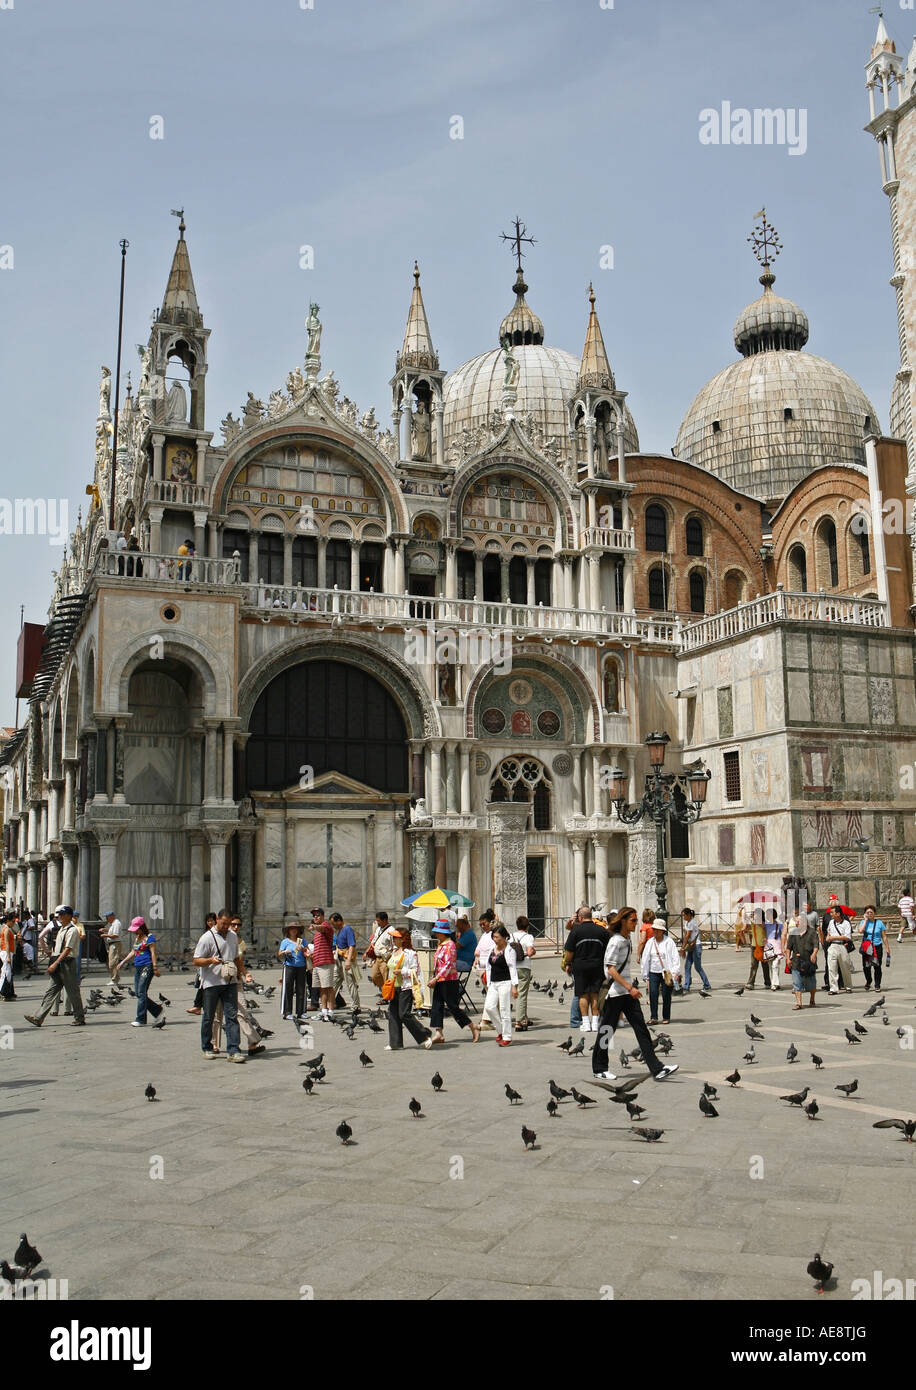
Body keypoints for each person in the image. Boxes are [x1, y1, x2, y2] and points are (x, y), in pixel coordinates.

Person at [591, 906, 678, 1083]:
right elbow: (610, 969)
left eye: (636, 920)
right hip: (615, 993)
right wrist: (629, 987)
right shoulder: (616, 941)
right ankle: (599, 1068)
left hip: (627, 994)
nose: (636, 923)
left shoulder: (626, 938)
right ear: (623, 921)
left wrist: (629, 989)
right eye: (632, 920)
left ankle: (657, 1068)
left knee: (642, 1030)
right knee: (607, 1031)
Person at [192, 908, 245, 1061]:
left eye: (228, 924)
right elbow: (196, 960)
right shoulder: (206, 938)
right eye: (223, 923)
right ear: (216, 920)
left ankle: (233, 1050)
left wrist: (243, 972)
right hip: (211, 983)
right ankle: (207, 1047)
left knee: (232, 1016)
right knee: (209, 1016)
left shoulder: (233, 936)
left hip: (230, 981)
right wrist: (210, 960)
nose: (225, 927)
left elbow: (236, 958)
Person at [24, 906, 86, 1027]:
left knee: (73, 992)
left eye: (62, 915)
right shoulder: (62, 929)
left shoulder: (72, 930)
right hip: (58, 962)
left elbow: (68, 949)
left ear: (69, 916)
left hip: (67, 963)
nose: (60, 917)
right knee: (50, 991)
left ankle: (79, 1017)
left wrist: (56, 963)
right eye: (59, 915)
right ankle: (38, 1017)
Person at [427, 921, 479, 1044]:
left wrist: (436, 978)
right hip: (440, 979)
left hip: (449, 980)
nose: (435, 933)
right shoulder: (441, 944)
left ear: (442, 933)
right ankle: (439, 1033)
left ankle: (473, 1027)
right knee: (437, 1005)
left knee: (453, 1007)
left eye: (437, 932)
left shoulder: (450, 945)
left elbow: (449, 964)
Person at [383, 927, 432, 1050]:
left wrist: (402, 971)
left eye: (396, 938)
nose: (393, 940)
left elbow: (415, 970)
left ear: (403, 939)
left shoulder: (410, 953)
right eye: (393, 937)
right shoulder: (393, 951)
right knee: (393, 1014)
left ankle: (424, 1035)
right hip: (394, 986)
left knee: (404, 1014)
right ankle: (395, 1042)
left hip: (406, 987)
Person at [562, 907, 609, 1032]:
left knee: (582, 994)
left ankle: (585, 1023)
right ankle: (595, 1022)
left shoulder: (576, 931)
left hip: (580, 966)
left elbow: (569, 952)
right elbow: (607, 950)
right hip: (597, 965)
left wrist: (567, 963)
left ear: (581, 917)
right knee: (595, 994)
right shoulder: (601, 930)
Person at [114, 917, 164, 1027]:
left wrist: (155, 967)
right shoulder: (137, 937)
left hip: (147, 966)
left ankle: (141, 1018)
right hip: (138, 966)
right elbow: (133, 951)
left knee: (141, 992)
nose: (134, 931)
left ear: (142, 927)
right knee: (138, 993)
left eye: (136, 929)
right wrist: (123, 962)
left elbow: (153, 953)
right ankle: (157, 1010)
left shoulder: (150, 938)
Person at [640, 919, 682, 1025]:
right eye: (654, 929)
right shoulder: (650, 942)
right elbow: (645, 958)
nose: (655, 932)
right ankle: (654, 1016)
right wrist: (644, 973)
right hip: (653, 972)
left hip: (666, 972)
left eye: (658, 930)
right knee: (653, 993)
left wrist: (675, 972)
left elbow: (675, 957)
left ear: (662, 931)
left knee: (666, 994)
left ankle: (666, 1016)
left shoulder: (669, 942)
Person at [483, 924, 518, 1046]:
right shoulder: (492, 949)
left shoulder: (509, 951)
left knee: (504, 1010)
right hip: (493, 982)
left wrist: (514, 986)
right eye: (494, 937)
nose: (495, 939)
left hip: (505, 982)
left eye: (497, 937)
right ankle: (500, 1030)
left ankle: (507, 1036)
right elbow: (488, 965)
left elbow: (513, 968)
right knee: (489, 1007)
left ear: (504, 938)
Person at [787, 909, 819, 1010]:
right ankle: (799, 1003)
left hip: (809, 962)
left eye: (798, 921)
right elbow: (788, 948)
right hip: (796, 962)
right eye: (796, 921)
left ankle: (812, 999)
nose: (796, 923)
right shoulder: (793, 933)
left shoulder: (812, 932)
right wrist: (787, 958)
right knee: (797, 983)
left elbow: (816, 945)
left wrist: (814, 954)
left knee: (811, 984)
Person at [187, 912, 217, 1015]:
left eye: (212, 920)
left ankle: (198, 1006)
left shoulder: (219, 933)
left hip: (214, 964)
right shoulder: (206, 934)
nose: (210, 922)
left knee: (204, 985)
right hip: (206, 963)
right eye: (208, 921)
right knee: (203, 985)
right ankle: (198, 1006)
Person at [278, 920, 308, 1021]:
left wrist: (303, 949)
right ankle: (287, 1012)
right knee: (288, 988)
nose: (294, 931)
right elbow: (279, 954)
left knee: (301, 989)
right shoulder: (285, 941)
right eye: (291, 929)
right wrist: (285, 952)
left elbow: (308, 953)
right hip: (289, 966)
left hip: (301, 966)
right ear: (288, 931)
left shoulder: (302, 941)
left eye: (296, 929)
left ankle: (301, 1011)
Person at [309, 910, 336, 1021]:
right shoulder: (316, 934)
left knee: (328, 987)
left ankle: (330, 1011)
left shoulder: (326, 926)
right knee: (322, 988)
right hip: (318, 962)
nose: (315, 917)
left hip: (326, 961)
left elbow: (322, 928)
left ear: (323, 916)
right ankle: (323, 1010)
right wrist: (311, 954)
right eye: (314, 916)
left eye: (318, 915)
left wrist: (314, 926)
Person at [330, 911, 361, 1010]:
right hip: (338, 960)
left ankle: (356, 1006)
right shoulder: (339, 931)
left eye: (333, 923)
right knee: (334, 981)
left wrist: (348, 961)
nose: (333, 926)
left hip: (345, 959)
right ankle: (329, 1003)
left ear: (339, 921)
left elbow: (351, 945)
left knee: (350, 983)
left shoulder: (347, 929)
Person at [510, 915, 536, 1030]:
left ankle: (524, 1017)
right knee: (522, 995)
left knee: (518, 993)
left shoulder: (511, 936)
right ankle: (519, 1022)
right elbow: (530, 952)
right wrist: (533, 951)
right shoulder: (528, 936)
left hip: (513, 967)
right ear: (527, 927)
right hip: (524, 967)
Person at [679, 907, 711, 992]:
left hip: (696, 946)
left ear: (689, 915)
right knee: (687, 966)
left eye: (684, 915)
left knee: (698, 967)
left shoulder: (692, 923)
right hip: (691, 946)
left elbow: (687, 936)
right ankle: (686, 985)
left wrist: (682, 948)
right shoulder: (688, 923)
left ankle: (707, 984)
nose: (683, 917)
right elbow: (687, 936)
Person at [824, 905, 854, 994]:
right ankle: (833, 988)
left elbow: (847, 937)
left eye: (832, 912)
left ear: (838, 913)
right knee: (832, 968)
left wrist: (833, 937)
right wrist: (828, 937)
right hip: (832, 946)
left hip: (842, 946)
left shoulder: (846, 923)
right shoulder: (831, 922)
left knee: (845, 967)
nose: (831, 914)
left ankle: (848, 986)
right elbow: (828, 931)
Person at [859, 906, 889, 991]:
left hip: (877, 946)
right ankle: (869, 980)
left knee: (877, 966)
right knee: (866, 967)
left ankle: (877, 984)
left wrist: (887, 948)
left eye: (871, 912)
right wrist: (865, 920)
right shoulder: (863, 922)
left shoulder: (879, 923)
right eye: (867, 912)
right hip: (867, 947)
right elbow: (860, 931)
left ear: (874, 913)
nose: (869, 914)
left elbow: (884, 936)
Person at [745, 910, 772, 991]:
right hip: (754, 946)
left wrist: (754, 920)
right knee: (753, 965)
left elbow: (761, 926)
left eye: (757, 914)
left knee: (765, 966)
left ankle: (767, 982)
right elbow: (745, 927)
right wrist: (747, 918)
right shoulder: (753, 923)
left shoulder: (764, 923)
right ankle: (750, 983)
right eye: (755, 914)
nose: (755, 916)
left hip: (763, 947)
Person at [98, 909, 125, 981]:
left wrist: (105, 935)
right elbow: (112, 931)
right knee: (111, 962)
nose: (106, 919)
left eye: (107, 917)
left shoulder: (116, 923)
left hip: (115, 944)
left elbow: (115, 935)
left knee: (113, 963)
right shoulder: (114, 924)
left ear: (111, 917)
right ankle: (114, 978)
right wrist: (105, 929)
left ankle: (115, 979)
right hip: (112, 944)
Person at [0, 910, 18, 1001]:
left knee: (6, 972)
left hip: (6, 951)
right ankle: (4, 992)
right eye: (13, 921)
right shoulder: (6, 929)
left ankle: (6, 992)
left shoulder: (5, 928)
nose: (14, 923)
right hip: (7, 952)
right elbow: (6, 943)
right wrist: (8, 956)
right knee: (6, 973)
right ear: (8, 921)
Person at [764, 908, 784, 990]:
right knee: (771, 966)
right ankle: (775, 982)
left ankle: (774, 984)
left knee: (775, 966)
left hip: (777, 947)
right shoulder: (766, 925)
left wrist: (784, 947)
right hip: (768, 948)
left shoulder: (780, 925)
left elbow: (784, 936)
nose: (767, 916)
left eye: (768, 914)